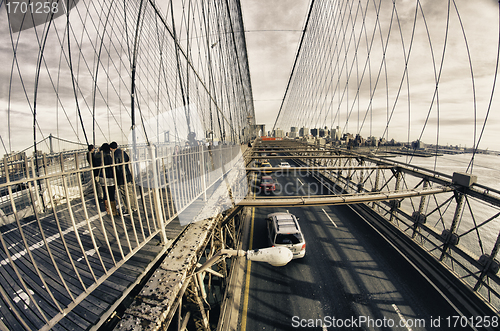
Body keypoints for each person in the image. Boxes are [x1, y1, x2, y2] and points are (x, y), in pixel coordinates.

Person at [110, 141, 138, 214]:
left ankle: (127, 209)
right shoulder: (123, 152)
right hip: (127, 175)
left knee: (124, 194)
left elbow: (116, 168)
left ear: (111, 148)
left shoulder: (115, 155)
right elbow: (128, 159)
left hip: (121, 177)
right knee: (130, 192)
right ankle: (133, 206)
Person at [98, 143, 119, 216]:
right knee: (112, 194)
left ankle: (108, 210)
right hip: (109, 178)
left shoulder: (99, 157)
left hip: (102, 178)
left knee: (105, 193)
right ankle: (114, 211)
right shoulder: (109, 157)